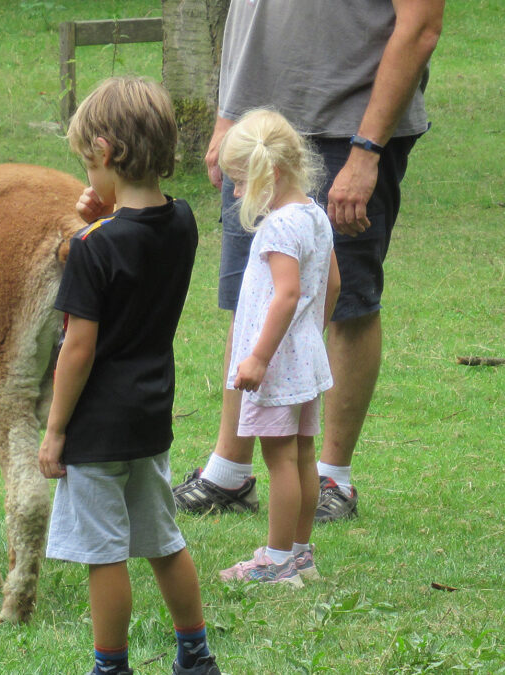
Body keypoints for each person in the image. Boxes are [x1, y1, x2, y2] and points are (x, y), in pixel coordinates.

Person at [174, 0, 444, 521]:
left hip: (349, 125)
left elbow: (421, 26)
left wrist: (367, 150)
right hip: (256, 132)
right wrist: (227, 118)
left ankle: (331, 480)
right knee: (247, 293)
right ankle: (229, 473)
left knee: (349, 301)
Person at [39, 77, 220, 675]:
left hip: (95, 426)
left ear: (107, 151)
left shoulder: (92, 246)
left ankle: (110, 666)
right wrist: (107, 215)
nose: (87, 178)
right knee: (164, 540)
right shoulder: (185, 221)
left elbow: (79, 348)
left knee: (104, 555)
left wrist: (56, 429)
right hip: (150, 418)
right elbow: (135, 239)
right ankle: (195, 655)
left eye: (88, 164)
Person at [211, 109, 340, 585]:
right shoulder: (315, 215)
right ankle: (301, 552)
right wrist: (310, 336)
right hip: (302, 359)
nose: (239, 193)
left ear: (274, 174)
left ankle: (278, 560)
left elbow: (286, 294)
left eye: (243, 182)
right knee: (305, 456)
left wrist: (260, 357)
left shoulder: (280, 227)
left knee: (280, 460)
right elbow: (332, 285)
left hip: (277, 366)